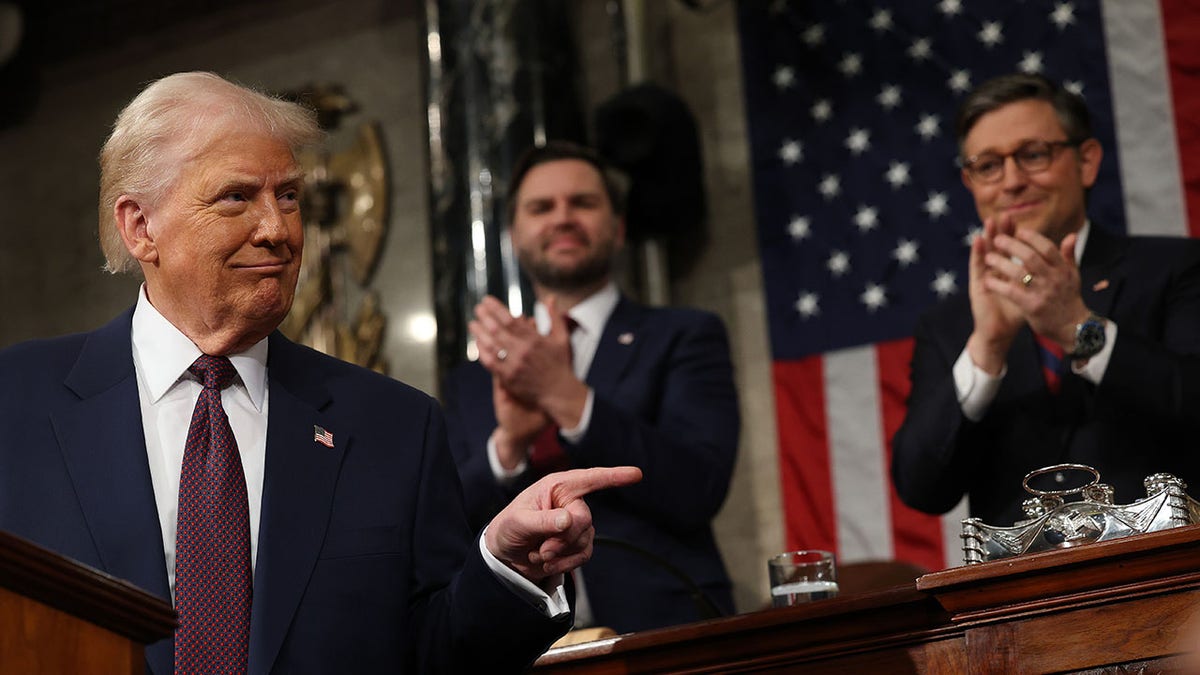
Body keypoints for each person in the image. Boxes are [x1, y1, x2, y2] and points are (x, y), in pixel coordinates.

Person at [0, 72, 641, 675]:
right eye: (236, 198)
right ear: (140, 226)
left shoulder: (393, 425)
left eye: (288, 196)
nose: (278, 230)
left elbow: (434, 653)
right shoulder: (17, 402)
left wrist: (505, 569)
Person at [442, 141, 739, 634]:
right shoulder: (472, 379)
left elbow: (698, 489)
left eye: (582, 202)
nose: (563, 218)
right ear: (516, 236)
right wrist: (508, 445)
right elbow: (447, 529)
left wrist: (567, 397)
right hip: (517, 645)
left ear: (618, 228)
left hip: (666, 633)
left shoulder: (684, 335)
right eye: (542, 207)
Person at [891, 73, 1200, 528]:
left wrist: (1079, 330)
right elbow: (921, 487)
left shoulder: (1175, 268)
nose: (1011, 181)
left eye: (1033, 155)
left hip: (1170, 574)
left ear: (1087, 161)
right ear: (970, 182)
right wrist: (986, 350)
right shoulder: (951, 325)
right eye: (989, 166)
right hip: (1023, 594)